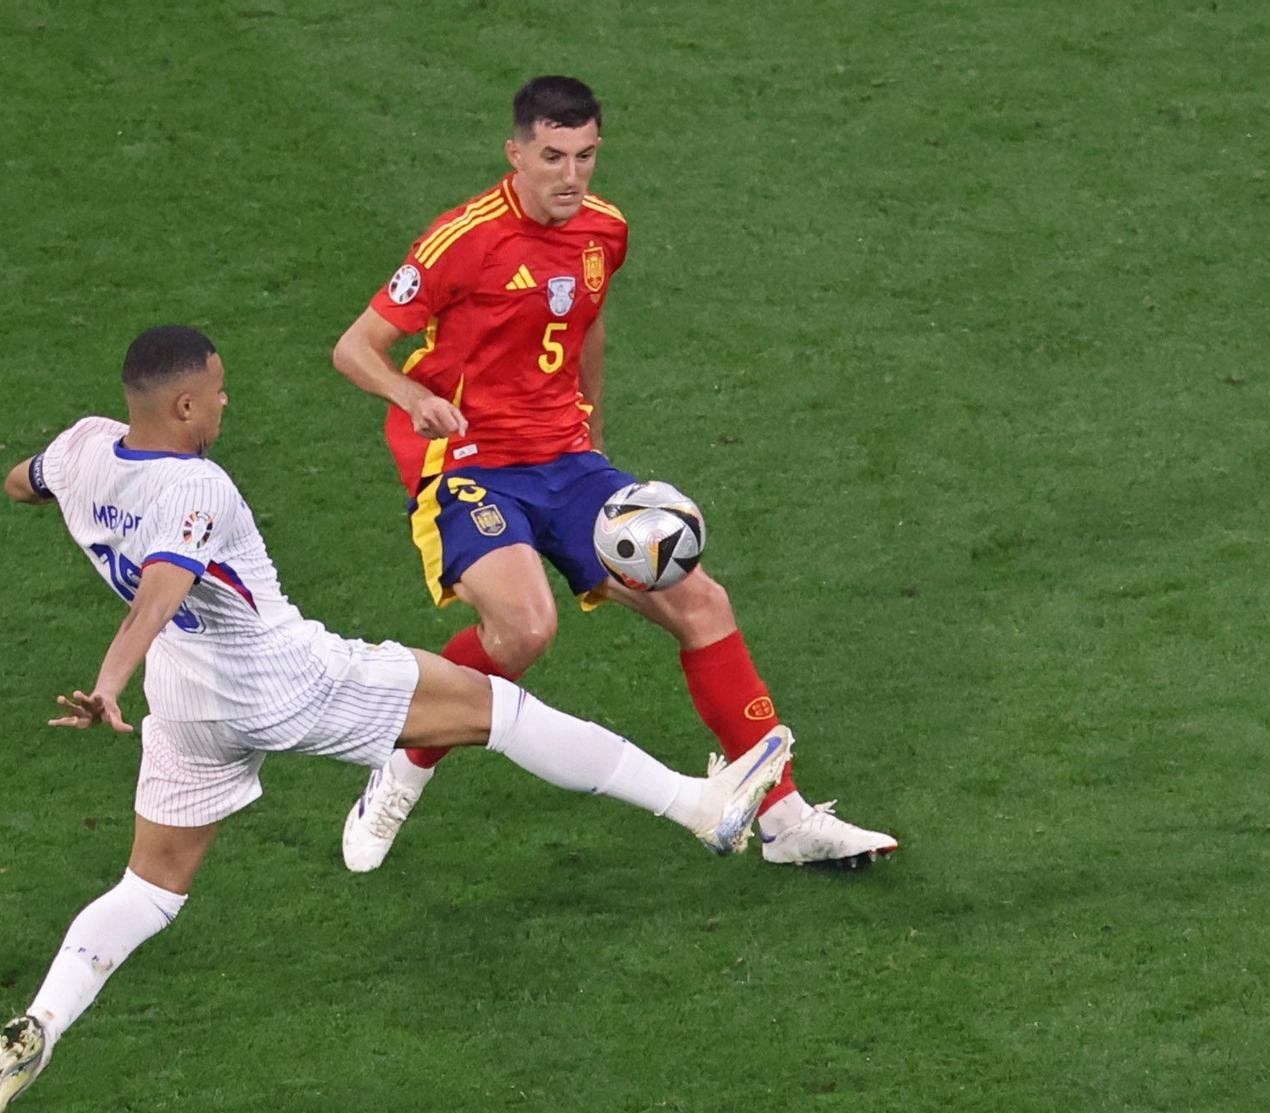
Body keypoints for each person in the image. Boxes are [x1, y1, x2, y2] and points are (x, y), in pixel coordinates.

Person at [0, 325, 793, 1113]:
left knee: (152, 888)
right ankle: (699, 805)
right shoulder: (198, 486)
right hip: (280, 677)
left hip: (188, 704)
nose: (229, 405)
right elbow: (162, 587)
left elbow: (24, 480)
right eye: (220, 393)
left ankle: (39, 1023)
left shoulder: (85, 446)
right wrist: (107, 680)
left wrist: (65, 500)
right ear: (185, 408)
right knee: (499, 711)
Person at [331, 75, 895, 872]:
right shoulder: (464, 238)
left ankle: (787, 817)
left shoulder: (605, 230)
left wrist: (590, 429)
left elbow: (583, 322)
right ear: (515, 152)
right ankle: (405, 757)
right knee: (523, 630)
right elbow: (355, 347)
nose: (571, 175)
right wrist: (412, 394)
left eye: (586, 156)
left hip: (568, 461)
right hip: (472, 465)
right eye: (553, 156)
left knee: (703, 602)